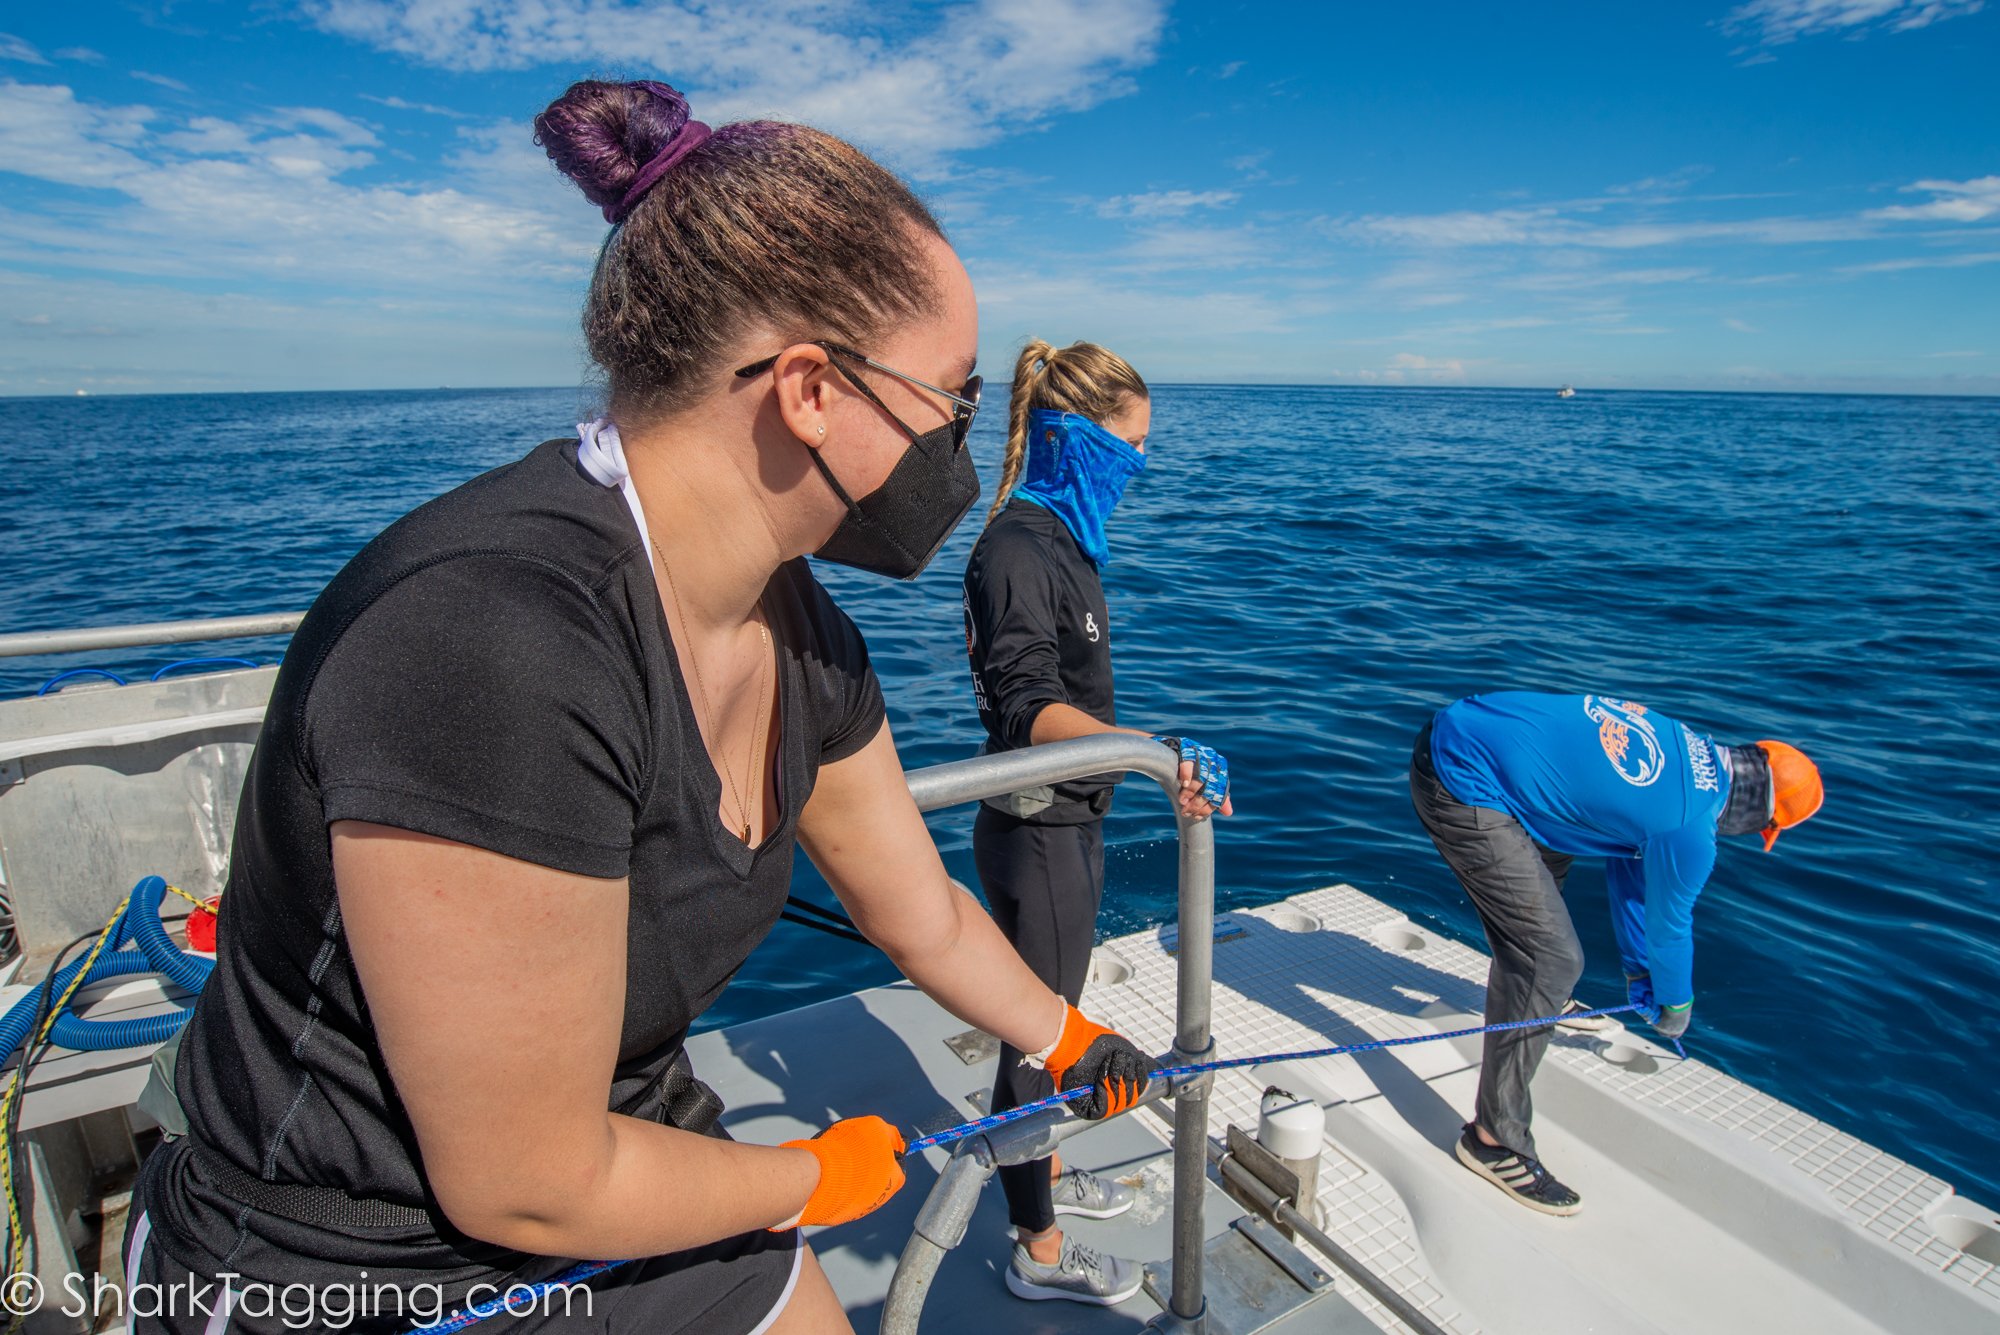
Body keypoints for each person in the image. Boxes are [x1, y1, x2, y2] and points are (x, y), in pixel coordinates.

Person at [123, 80, 1150, 1335]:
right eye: (953, 393)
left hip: (629, 1151)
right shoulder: (493, 639)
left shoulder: (804, 633)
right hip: (346, 1257)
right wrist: (806, 1177)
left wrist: (1065, 1038)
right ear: (811, 389)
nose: (958, 436)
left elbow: (917, 909)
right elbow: (530, 1184)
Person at [962, 340, 1233, 1306]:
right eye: (1130, 444)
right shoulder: (1016, 549)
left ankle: (1040, 1187)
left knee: (1051, 1022)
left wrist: (1131, 758)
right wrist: (1153, 750)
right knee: (1041, 1037)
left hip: (1070, 824)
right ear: (1074, 436)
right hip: (1037, 832)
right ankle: (1035, 1248)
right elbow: (1025, 703)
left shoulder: (1064, 544)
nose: (1140, 465)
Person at [1408, 691, 1823, 1216]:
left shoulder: (1687, 745)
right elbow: (1671, 926)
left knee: (1545, 904)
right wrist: (1675, 1007)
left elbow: (1629, 866)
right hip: (1459, 778)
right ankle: (1493, 1140)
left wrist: (1637, 972)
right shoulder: (1691, 829)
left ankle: (1540, 996)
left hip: (1475, 733)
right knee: (1553, 959)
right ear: (1759, 817)